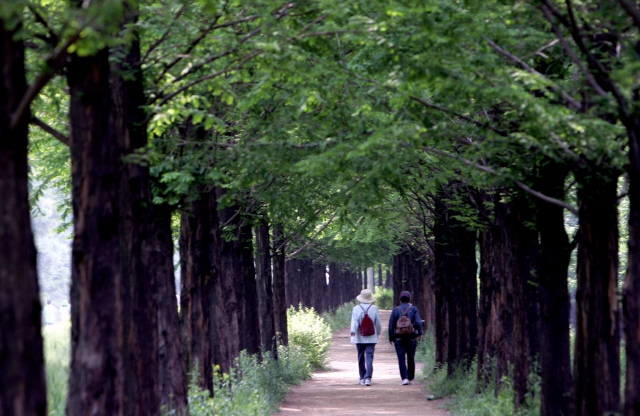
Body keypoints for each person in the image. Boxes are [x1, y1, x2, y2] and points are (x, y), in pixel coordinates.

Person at [388, 290, 423, 385]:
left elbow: (391, 324)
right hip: (411, 337)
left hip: (398, 338)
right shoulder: (414, 309)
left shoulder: (395, 310)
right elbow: (419, 322)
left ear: (400, 299)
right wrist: (420, 333)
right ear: (410, 299)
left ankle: (404, 378)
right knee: (411, 357)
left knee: (401, 358)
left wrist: (391, 337)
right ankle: (411, 377)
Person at [350, 289, 382, 386]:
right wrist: (377, 333)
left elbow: (354, 323)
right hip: (371, 337)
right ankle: (368, 378)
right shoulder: (374, 308)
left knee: (360, 356)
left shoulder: (356, 309)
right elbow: (378, 324)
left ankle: (361, 377)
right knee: (369, 356)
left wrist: (353, 334)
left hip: (360, 337)